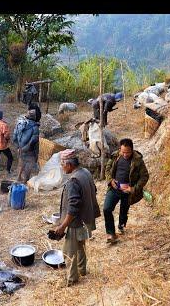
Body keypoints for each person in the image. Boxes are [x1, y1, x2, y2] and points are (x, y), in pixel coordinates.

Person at [52, 149, 101, 287]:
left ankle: (72, 279)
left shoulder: (74, 180)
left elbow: (73, 207)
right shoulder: (85, 172)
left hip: (76, 221)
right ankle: (82, 270)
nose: (62, 168)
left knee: (69, 252)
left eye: (63, 165)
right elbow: (94, 190)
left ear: (69, 164)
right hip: (86, 218)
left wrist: (63, 226)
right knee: (80, 245)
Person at [103, 138, 149, 243]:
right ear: (120, 149)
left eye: (127, 152)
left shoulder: (138, 160)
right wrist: (110, 181)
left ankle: (121, 224)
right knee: (107, 209)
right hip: (114, 188)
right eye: (123, 152)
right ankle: (111, 234)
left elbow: (145, 176)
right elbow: (107, 169)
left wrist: (133, 189)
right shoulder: (115, 156)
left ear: (132, 150)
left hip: (127, 192)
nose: (125, 154)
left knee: (123, 211)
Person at [12, 108, 40, 183]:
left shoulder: (19, 124)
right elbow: (33, 140)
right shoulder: (35, 127)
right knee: (29, 164)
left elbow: (14, 137)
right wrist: (26, 148)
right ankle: (25, 181)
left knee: (21, 162)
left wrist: (18, 147)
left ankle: (18, 178)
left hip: (20, 148)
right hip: (30, 150)